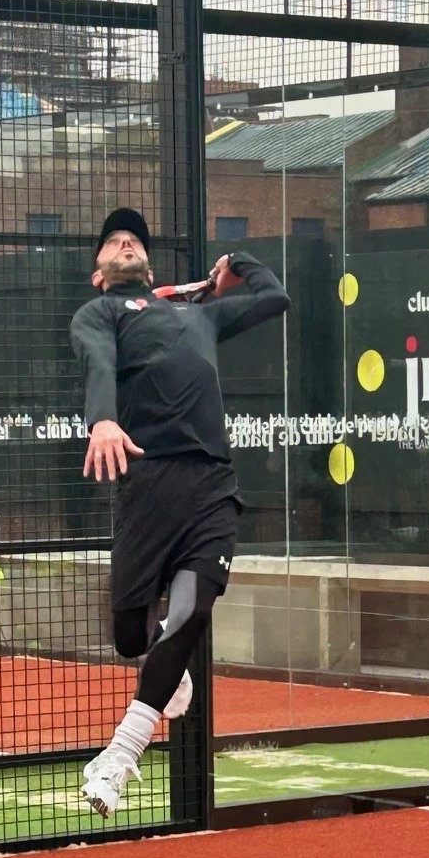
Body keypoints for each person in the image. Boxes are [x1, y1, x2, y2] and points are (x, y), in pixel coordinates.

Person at [70, 207, 290, 817]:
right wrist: (103, 419)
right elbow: (98, 364)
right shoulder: (101, 313)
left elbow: (276, 298)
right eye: (113, 241)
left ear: (149, 262)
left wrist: (234, 266)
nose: (125, 243)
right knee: (129, 637)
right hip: (147, 483)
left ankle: (120, 755)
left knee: (192, 613)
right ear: (99, 272)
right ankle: (163, 664)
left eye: (134, 240)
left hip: (211, 485)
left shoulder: (198, 315)